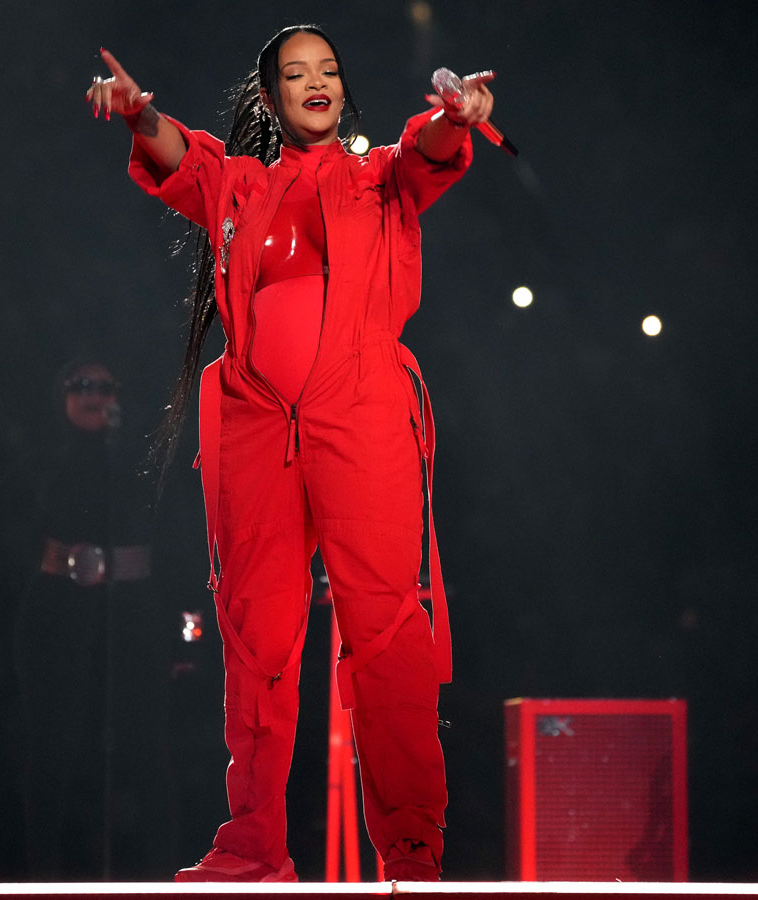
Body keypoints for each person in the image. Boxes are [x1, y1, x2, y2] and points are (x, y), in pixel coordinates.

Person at [85, 25, 496, 882]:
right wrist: (137, 115)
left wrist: (457, 117)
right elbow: (178, 158)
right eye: (297, 74)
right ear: (269, 100)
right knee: (255, 636)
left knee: (386, 634)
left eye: (331, 71)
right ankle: (255, 846)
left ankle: (412, 846)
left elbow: (431, 149)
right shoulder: (241, 188)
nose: (319, 83)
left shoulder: (379, 177)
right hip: (256, 428)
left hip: (363, 419)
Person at [0, 358, 177, 880]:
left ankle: (164, 872)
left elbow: (180, 528)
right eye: (80, 386)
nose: (92, 395)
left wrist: (189, 610)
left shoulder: (145, 459)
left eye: (104, 386)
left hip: (133, 613)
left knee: (147, 745)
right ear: (61, 397)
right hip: (57, 609)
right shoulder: (46, 458)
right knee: (51, 748)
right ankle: (43, 874)